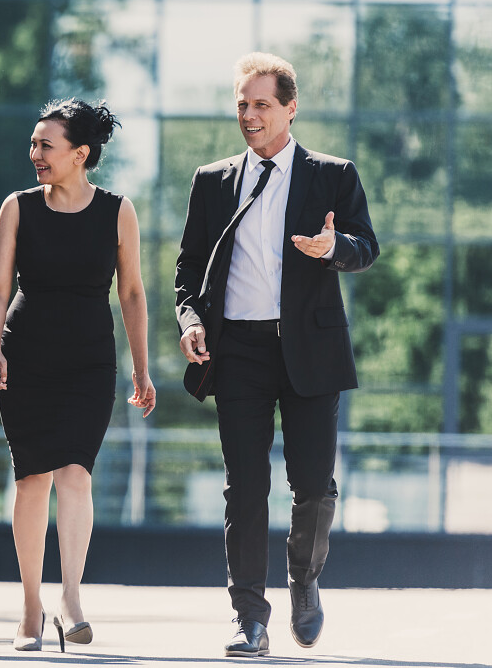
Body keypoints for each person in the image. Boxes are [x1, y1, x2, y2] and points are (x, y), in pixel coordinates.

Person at [174, 52, 378, 657]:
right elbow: (187, 269)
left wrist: (332, 246)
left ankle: (305, 579)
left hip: (311, 349)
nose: (249, 115)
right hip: (237, 350)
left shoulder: (332, 173)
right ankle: (249, 617)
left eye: (262, 104)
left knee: (313, 484)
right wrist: (189, 320)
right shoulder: (212, 181)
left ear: (291, 108)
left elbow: (366, 246)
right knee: (245, 486)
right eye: (242, 103)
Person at [0, 99, 156, 653]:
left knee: (75, 474)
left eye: (46, 145)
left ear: (81, 154)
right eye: (33, 144)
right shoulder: (18, 207)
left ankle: (71, 600)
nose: (35, 154)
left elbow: (131, 292)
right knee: (32, 477)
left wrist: (142, 367)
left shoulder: (117, 211)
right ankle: (31, 608)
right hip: (25, 355)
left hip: (88, 361)